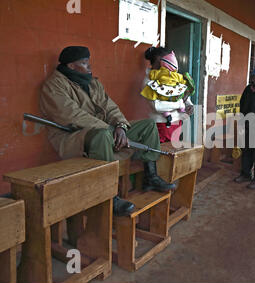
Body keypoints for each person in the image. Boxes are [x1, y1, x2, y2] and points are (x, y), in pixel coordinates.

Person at [40, 46, 175, 217]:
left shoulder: (92, 82)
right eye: (84, 63)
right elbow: (72, 116)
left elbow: (110, 107)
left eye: (88, 62)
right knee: (103, 135)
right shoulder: (54, 86)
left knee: (148, 125)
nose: (89, 67)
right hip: (72, 137)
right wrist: (109, 129)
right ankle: (109, 196)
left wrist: (120, 126)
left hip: (105, 131)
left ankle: (151, 176)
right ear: (71, 66)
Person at [143, 47, 194, 143]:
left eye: (166, 64)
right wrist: (180, 104)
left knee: (173, 152)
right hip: (159, 123)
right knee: (160, 152)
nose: (164, 68)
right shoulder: (149, 81)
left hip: (176, 122)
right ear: (153, 65)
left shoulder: (175, 78)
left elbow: (182, 94)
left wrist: (188, 104)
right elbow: (156, 106)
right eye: (160, 65)